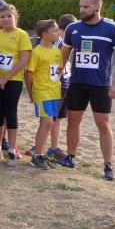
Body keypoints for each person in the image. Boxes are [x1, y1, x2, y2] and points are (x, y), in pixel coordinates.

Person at [59, 0, 115, 180]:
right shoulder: (73, 28)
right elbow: (64, 53)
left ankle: (108, 165)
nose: (81, 10)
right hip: (77, 83)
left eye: (86, 7)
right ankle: (70, 157)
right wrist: (59, 72)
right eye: (80, 6)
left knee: (103, 124)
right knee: (73, 121)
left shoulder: (113, 28)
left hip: (100, 85)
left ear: (97, 7)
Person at [0, 4, 32, 165]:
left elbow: (24, 59)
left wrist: (6, 78)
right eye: (3, 17)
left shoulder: (22, 35)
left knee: (10, 113)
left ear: (15, 17)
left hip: (13, 80)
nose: (6, 19)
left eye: (9, 16)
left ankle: (12, 149)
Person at [25, 19, 63, 170]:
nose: (58, 33)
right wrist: (31, 93)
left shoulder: (57, 51)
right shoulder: (37, 52)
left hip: (54, 92)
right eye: (54, 30)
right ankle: (37, 155)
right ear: (44, 34)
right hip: (42, 92)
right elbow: (29, 74)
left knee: (50, 123)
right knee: (46, 122)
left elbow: (58, 71)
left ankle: (40, 154)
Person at [48, 13, 77, 160]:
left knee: (58, 117)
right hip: (56, 84)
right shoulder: (58, 43)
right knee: (52, 118)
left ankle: (54, 146)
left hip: (65, 82)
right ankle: (49, 146)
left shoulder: (66, 42)